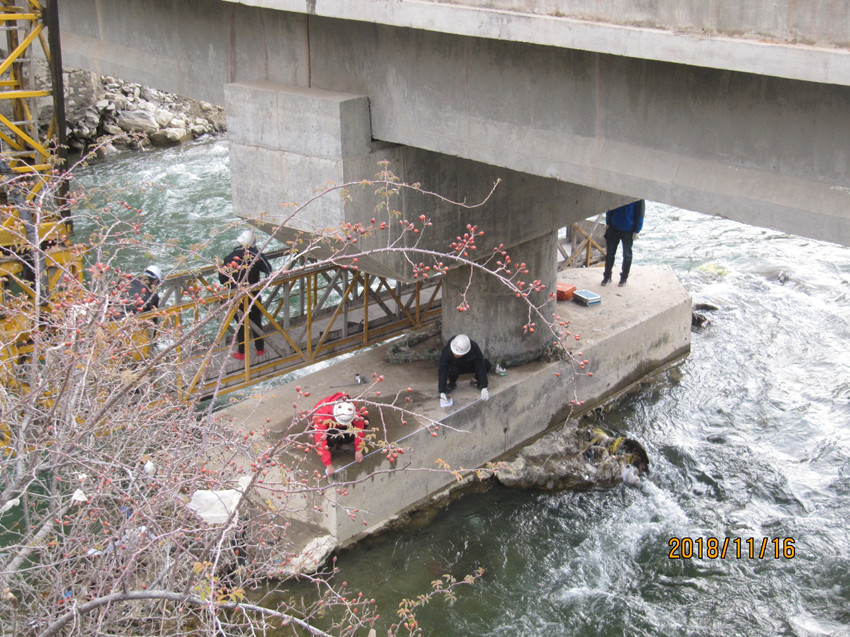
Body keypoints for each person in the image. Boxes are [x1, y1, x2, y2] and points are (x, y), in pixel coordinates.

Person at [218, 229, 271, 360]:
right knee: (256, 321)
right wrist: (259, 254)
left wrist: (232, 286)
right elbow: (268, 269)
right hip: (253, 295)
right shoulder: (255, 256)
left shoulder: (229, 258)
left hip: (236, 296)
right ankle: (260, 349)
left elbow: (222, 279)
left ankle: (242, 352)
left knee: (240, 323)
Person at [310, 392, 368, 478]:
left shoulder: (349, 406)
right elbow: (320, 440)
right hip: (328, 428)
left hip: (339, 425)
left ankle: (342, 442)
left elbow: (359, 426)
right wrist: (328, 464)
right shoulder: (322, 414)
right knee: (333, 435)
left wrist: (359, 449)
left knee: (365, 420)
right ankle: (330, 446)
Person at [438, 334, 496, 407]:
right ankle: (452, 383)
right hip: (456, 366)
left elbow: (480, 365)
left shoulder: (474, 348)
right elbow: (442, 369)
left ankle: (475, 380)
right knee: (452, 370)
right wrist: (442, 391)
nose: (456, 355)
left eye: (458, 354)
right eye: (454, 353)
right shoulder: (447, 350)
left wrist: (484, 386)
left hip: (469, 365)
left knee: (486, 364)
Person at [601, 199, 645, 287]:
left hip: (628, 230)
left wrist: (637, 230)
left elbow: (640, 214)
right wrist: (608, 223)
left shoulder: (638, 197)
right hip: (614, 227)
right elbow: (610, 207)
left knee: (627, 255)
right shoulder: (617, 194)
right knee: (610, 254)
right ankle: (607, 277)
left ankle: (624, 278)